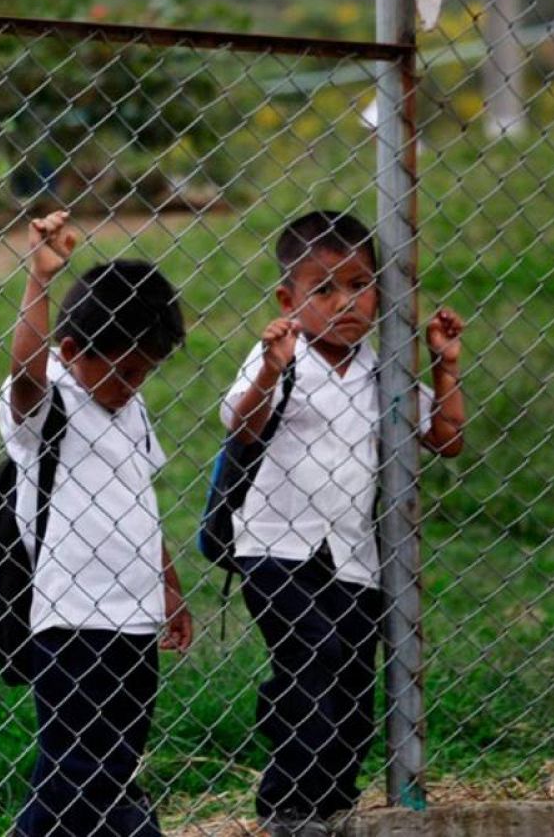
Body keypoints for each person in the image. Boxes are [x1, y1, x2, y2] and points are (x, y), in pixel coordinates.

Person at [221, 211, 467, 837]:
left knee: (356, 676)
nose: (345, 302)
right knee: (311, 656)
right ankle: (288, 804)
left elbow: (445, 438)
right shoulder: (281, 356)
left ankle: (333, 800)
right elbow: (242, 427)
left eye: (359, 285)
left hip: (355, 554)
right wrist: (271, 370)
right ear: (288, 299)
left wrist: (444, 368)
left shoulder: (383, 369)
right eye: (323, 289)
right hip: (276, 547)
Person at [0, 211, 193, 837]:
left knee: (106, 759)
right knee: (84, 764)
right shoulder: (49, 404)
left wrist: (169, 584)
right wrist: (39, 281)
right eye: (120, 370)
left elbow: (142, 501)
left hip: (133, 620)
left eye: (143, 372)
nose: (132, 385)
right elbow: (24, 374)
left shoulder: (131, 412)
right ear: (72, 350)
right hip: (71, 619)